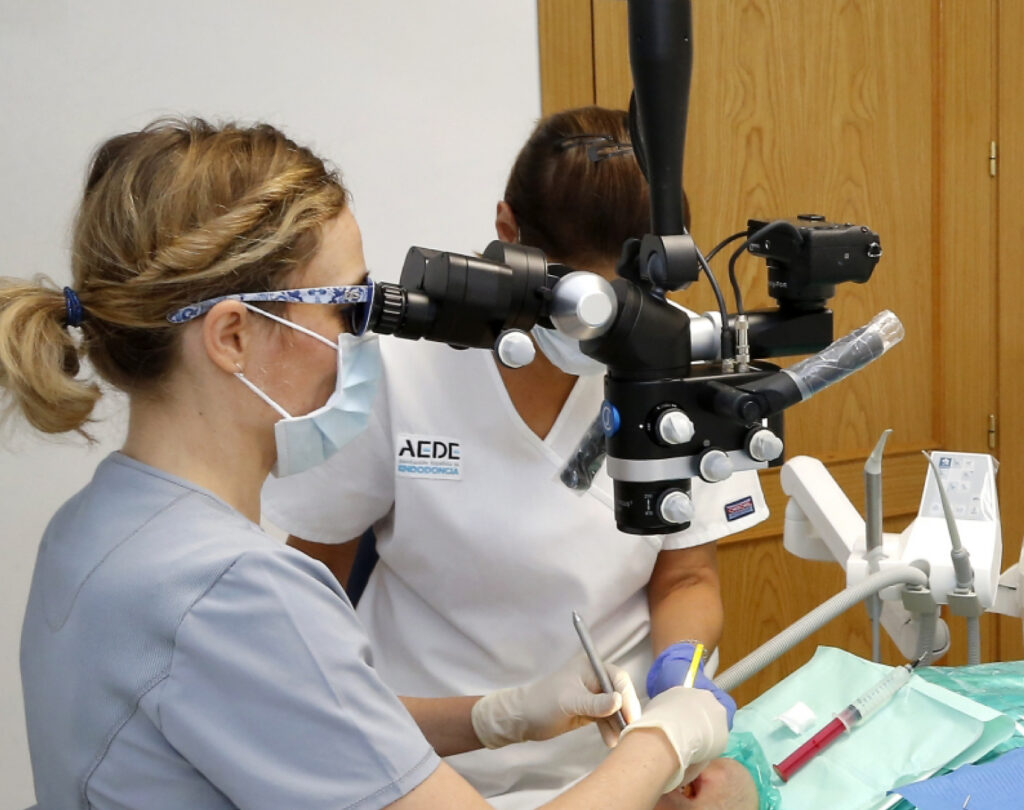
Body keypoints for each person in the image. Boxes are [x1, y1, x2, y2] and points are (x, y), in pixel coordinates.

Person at [5, 118, 737, 809]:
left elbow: (315, 727)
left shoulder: (96, 525)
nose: (368, 339)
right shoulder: (241, 597)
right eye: (350, 310)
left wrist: (496, 717)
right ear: (232, 337)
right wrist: (663, 743)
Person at [262, 106, 768, 807]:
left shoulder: (681, 354)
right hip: (424, 770)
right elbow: (311, 591)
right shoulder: (404, 369)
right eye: (586, 307)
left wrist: (678, 682)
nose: (614, 337)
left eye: (635, 303)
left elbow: (685, 576)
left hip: (622, 766)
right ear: (507, 234)